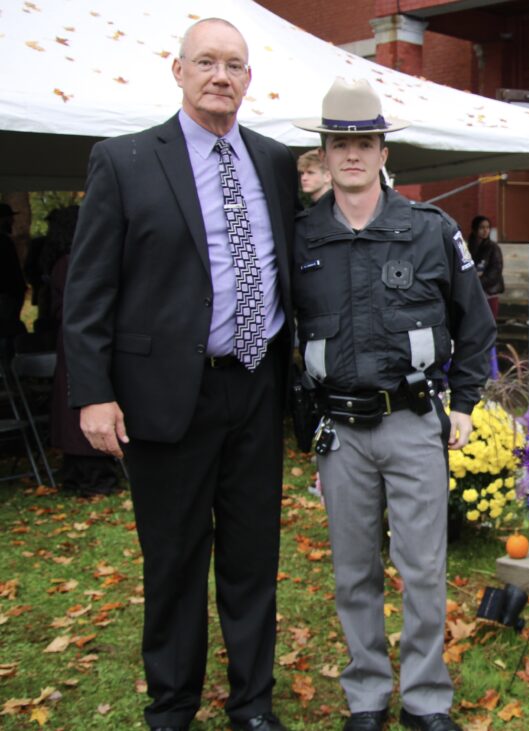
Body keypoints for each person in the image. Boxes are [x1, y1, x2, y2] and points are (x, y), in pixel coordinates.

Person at [63, 18, 295, 731]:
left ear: (249, 79)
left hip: (257, 385)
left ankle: (251, 702)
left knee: (253, 555)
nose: (221, 76)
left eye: (234, 65)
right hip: (166, 394)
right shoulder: (127, 160)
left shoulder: (277, 161)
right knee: (174, 558)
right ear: (179, 70)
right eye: (206, 62)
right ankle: (172, 703)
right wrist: (93, 391)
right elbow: (89, 286)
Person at [293, 78, 494, 731]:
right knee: (354, 571)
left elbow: (477, 321)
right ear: (323, 151)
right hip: (341, 432)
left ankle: (426, 697)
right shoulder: (301, 239)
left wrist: (464, 402)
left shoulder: (428, 230)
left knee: (422, 569)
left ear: (383, 149)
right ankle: (367, 695)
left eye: (365, 142)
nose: (352, 154)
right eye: (340, 143)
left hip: (412, 423)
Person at [47, 206, 119, 496]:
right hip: (77, 342)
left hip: (78, 341)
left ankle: (90, 471)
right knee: (78, 404)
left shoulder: (71, 261)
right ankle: (86, 474)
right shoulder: (68, 263)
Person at [0, 202, 27, 353]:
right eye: (8, 218)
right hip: (7, 294)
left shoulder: (5, 241)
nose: (12, 221)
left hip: (10, 293)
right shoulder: (3, 242)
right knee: (6, 330)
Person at [466, 215, 503, 320]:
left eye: (487, 227)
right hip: (473, 293)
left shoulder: (493, 248)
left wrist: (478, 282)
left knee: (489, 322)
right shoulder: (469, 248)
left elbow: (495, 271)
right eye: (482, 227)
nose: (485, 230)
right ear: (475, 229)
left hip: (489, 292)